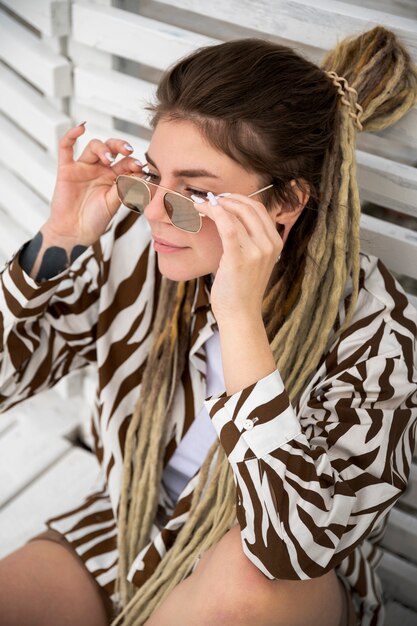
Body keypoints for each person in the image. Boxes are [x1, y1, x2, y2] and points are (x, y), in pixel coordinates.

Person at [0, 24, 416, 626]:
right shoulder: (136, 250)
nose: (155, 214)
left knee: (246, 579)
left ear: (285, 203)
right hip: (130, 528)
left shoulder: (375, 332)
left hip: (268, 579)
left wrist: (240, 319)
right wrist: (58, 241)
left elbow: (291, 548)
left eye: (192, 192)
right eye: (151, 176)